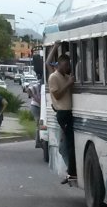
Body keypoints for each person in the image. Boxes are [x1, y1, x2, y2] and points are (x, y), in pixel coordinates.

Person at [48, 49, 76, 183]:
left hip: (68, 112)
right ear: (59, 65)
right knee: (70, 143)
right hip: (63, 113)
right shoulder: (54, 77)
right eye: (65, 65)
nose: (67, 68)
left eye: (68, 65)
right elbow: (57, 95)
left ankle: (70, 171)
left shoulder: (65, 76)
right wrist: (68, 84)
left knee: (67, 143)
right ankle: (71, 172)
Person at [29, 81, 42, 148]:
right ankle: (37, 142)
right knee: (38, 123)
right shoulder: (38, 85)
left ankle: (39, 141)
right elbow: (28, 90)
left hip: (40, 106)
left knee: (40, 124)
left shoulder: (42, 86)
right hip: (36, 106)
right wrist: (35, 97)